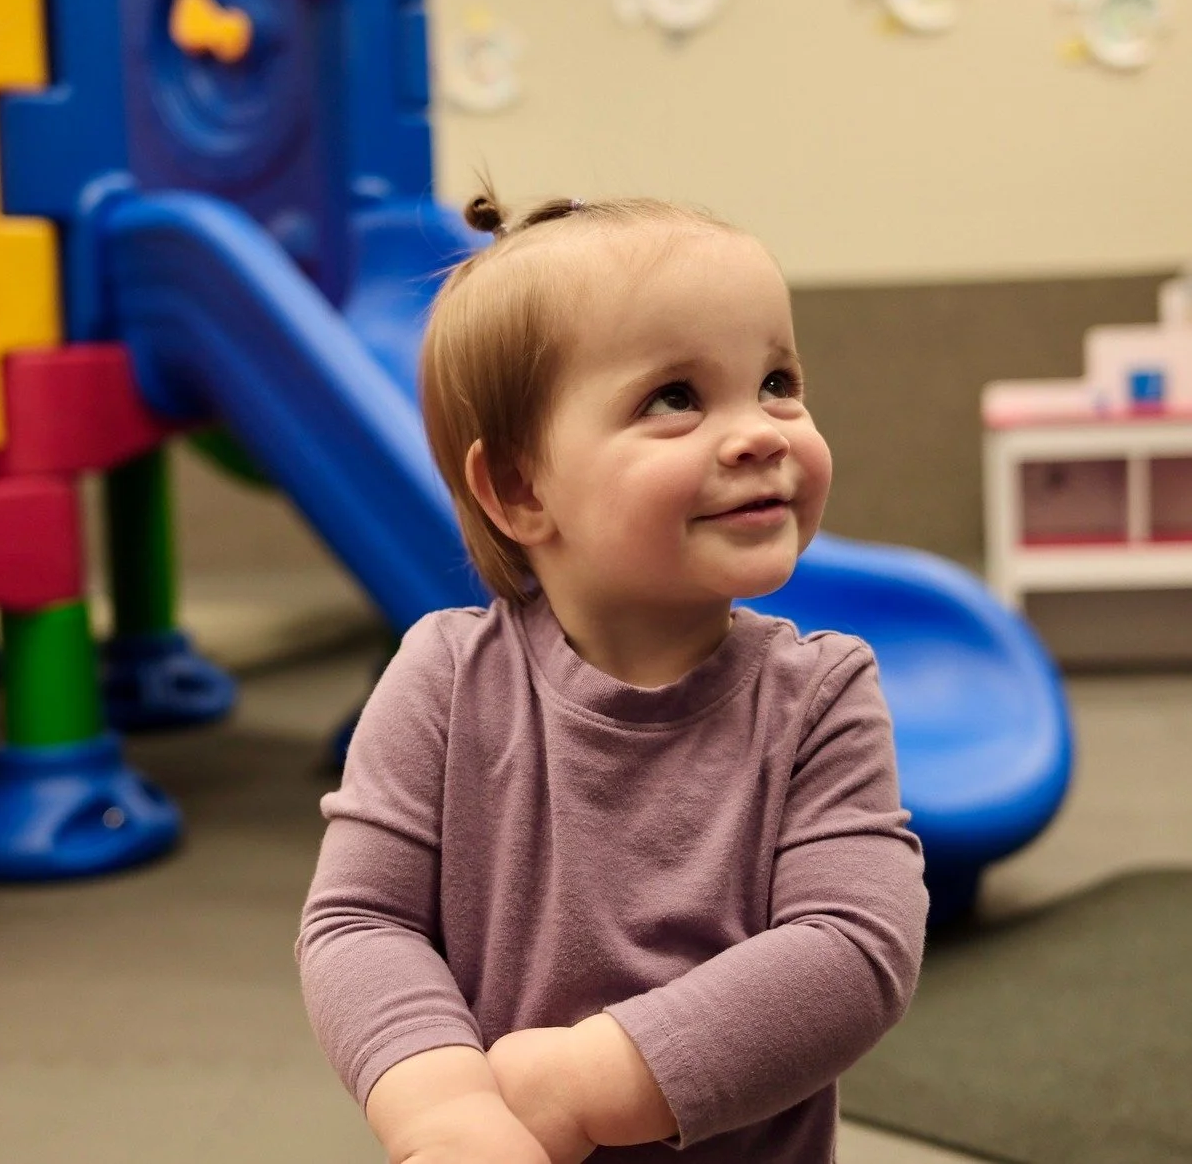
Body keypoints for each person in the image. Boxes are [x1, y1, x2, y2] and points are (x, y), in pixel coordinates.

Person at [294, 190, 929, 1162]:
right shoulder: (444, 681)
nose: (760, 430)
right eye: (674, 398)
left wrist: (593, 1085)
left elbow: (854, 949)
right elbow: (358, 923)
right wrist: (439, 1103)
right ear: (519, 489)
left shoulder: (820, 698)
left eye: (776, 381)